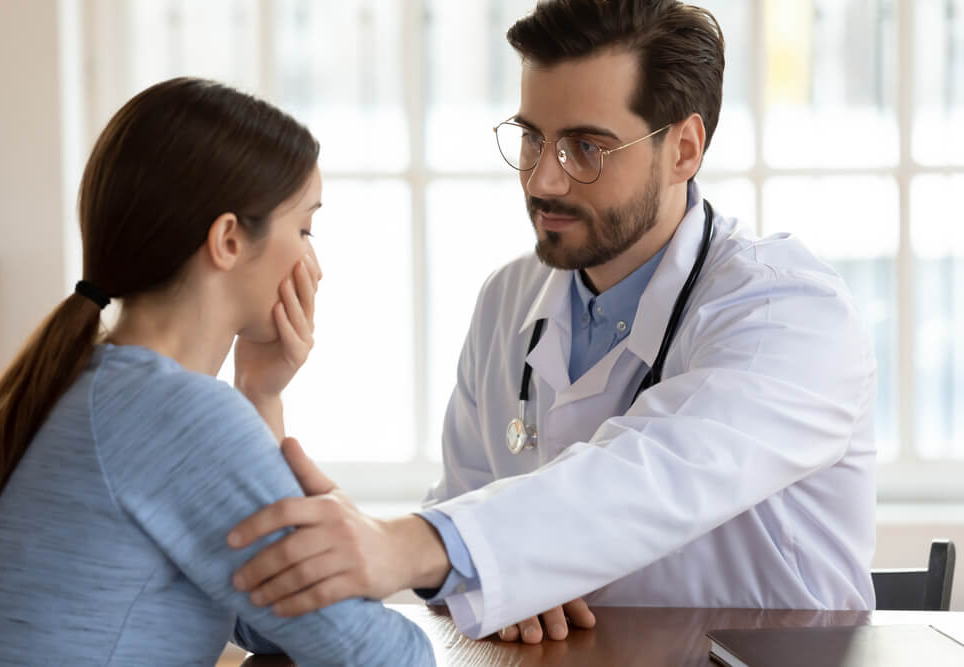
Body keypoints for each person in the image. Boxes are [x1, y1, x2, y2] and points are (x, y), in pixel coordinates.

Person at [225, 0, 877, 644]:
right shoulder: (509, 299)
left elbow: (652, 473)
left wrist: (413, 545)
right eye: (533, 137)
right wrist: (494, 575)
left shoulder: (789, 312)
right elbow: (474, 530)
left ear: (684, 149)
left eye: (586, 148)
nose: (543, 180)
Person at [0, 77, 435, 666]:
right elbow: (380, 656)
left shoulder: (90, 384)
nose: (315, 263)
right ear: (229, 240)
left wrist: (260, 395)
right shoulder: (175, 414)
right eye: (305, 228)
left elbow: (272, 621)